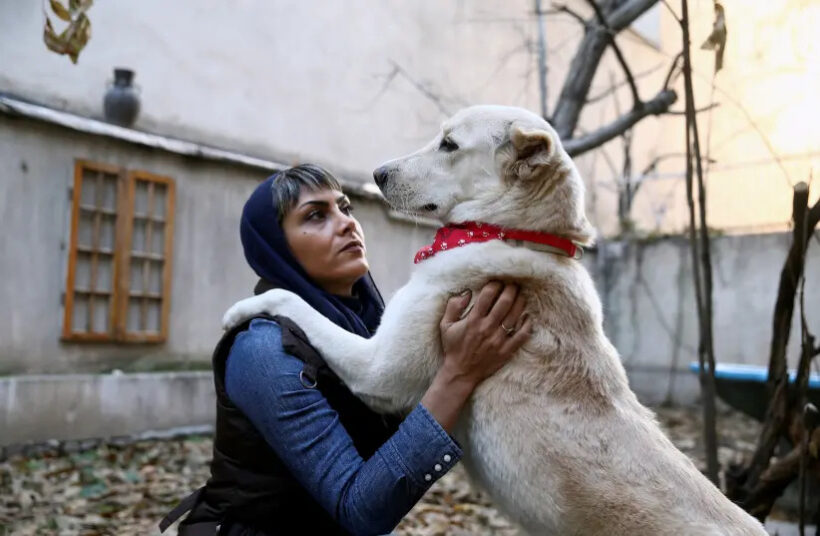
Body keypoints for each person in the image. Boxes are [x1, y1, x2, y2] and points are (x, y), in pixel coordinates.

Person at [160, 164, 531, 536]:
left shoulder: (364, 328)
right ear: (277, 247)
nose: (346, 223)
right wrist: (458, 374)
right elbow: (360, 510)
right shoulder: (264, 349)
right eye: (316, 215)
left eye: (346, 208)